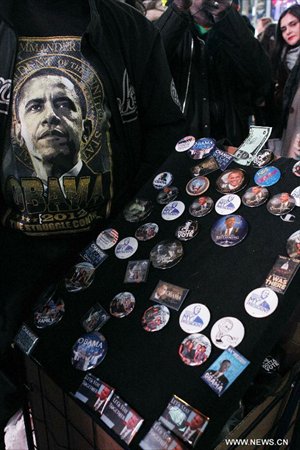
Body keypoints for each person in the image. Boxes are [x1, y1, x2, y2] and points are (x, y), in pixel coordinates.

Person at [0, 0, 185, 442]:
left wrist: (127, 228)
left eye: (65, 105)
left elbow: (167, 131)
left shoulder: (128, 29)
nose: (51, 118)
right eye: (36, 108)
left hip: (110, 279)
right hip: (11, 285)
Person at [156, 0, 272, 146]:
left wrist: (226, 17)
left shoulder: (235, 25)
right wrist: (178, 10)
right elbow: (149, 63)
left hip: (231, 141)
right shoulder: (173, 23)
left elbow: (262, 77)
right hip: (183, 144)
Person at [269, 4, 300, 159]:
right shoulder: (283, 62)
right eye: (283, 29)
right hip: (288, 138)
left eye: (293, 24)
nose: (288, 31)